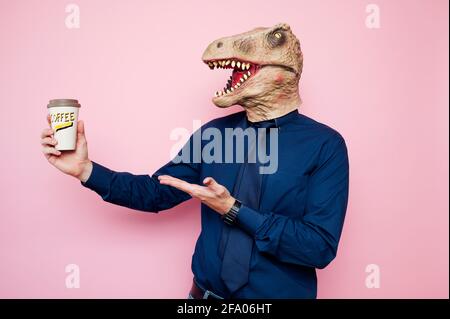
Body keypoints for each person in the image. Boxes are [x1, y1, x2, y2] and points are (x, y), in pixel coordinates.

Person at [40, 23, 349, 299]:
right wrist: (86, 170)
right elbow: (156, 192)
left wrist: (233, 210)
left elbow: (318, 247)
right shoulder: (213, 134)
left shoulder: (326, 146)